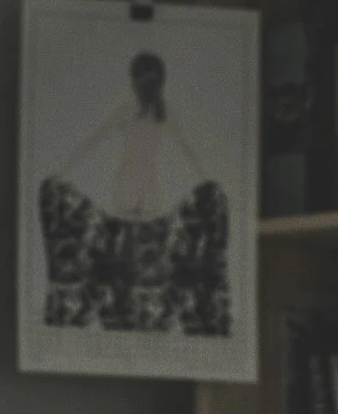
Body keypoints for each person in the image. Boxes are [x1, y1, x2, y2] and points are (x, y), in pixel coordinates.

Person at [38, 50, 230, 335]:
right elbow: (95, 140)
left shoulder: (143, 110)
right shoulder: (147, 111)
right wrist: (64, 170)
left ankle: (128, 313)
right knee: (132, 252)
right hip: (139, 186)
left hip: (138, 185)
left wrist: (207, 179)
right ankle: (129, 312)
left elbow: (94, 140)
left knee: (130, 252)